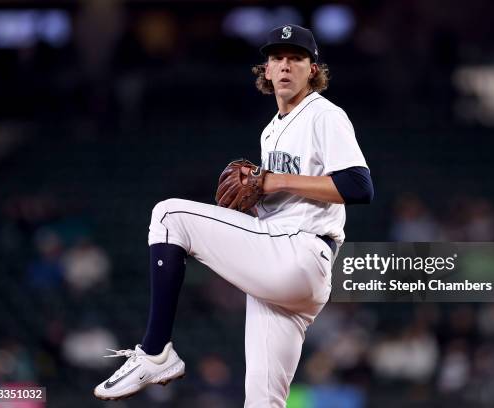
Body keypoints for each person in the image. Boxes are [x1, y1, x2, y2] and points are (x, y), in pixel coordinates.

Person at [93, 24, 373, 406]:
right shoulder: (270, 132)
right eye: (277, 58)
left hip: (301, 254)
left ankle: (155, 352)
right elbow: (278, 198)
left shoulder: (323, 114)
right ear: (267, 71)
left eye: (296, 58)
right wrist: (256, 201)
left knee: (168, 216)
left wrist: (274, 181)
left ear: (313, 69)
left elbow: (358, 186)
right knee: (262, 401)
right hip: (280, 269)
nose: (286, 66)